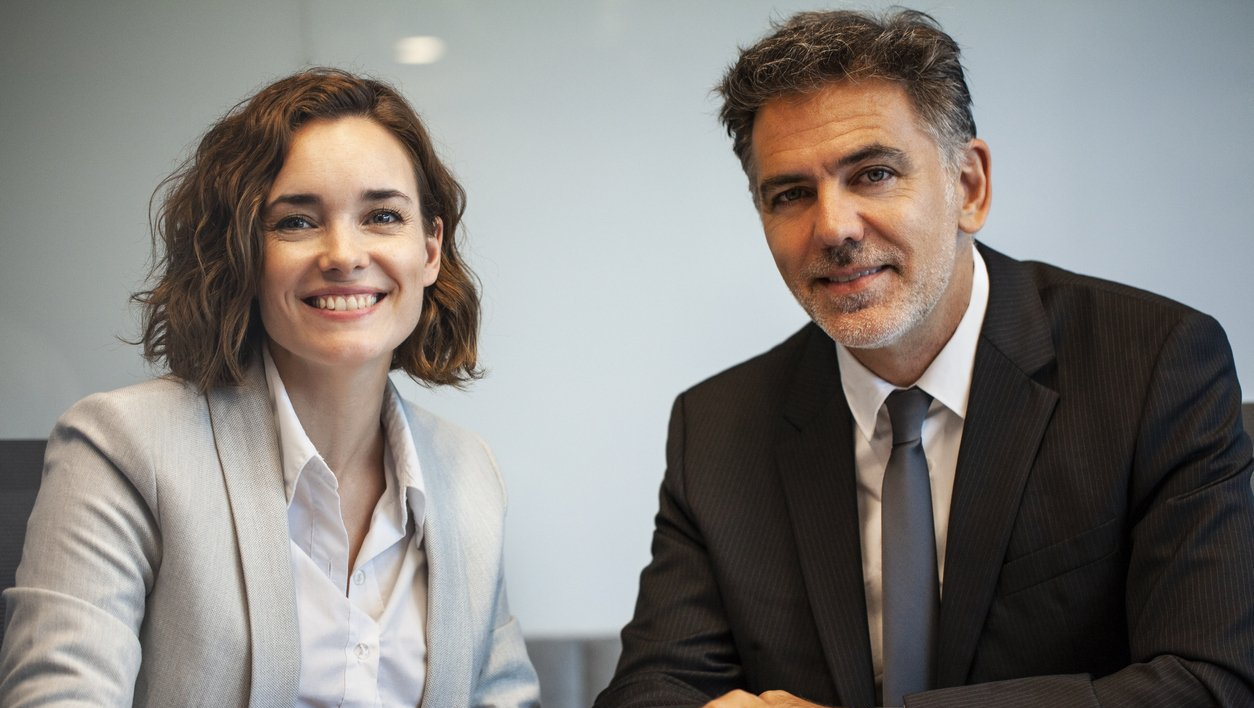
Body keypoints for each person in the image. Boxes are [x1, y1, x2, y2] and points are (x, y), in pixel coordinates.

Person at [595, 9, 1254, 708]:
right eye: (790, 194)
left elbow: (1211, 681)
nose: (833, 228)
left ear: (969, 186)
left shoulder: (1153, 366)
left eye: (874, 174)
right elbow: (651, 690)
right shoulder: (716, 429)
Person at [0, 68, 539, 708]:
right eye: (296, 222)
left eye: (383, 216)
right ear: (243, 254)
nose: (344, 254)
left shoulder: (469, 472)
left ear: (429, 250)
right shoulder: (123, 448)